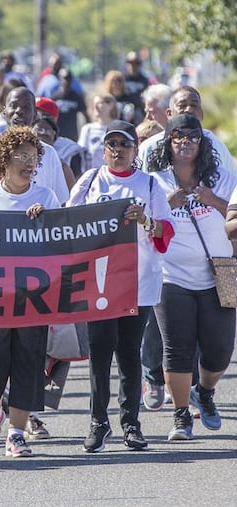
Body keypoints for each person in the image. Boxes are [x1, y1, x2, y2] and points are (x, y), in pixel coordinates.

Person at [66, 120, 174, 453]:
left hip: (137, 282)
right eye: (111, 145)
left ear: (135, 150)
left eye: (123, 145)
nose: (117, 151)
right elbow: (69, 224)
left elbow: (166, 232)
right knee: (99, 352)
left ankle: (131, 423)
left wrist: (145, 220)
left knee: (129, 353)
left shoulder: (150, 185)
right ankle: (99, 421)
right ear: (103, 151)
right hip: (99, 281)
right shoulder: (91, 181)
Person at [0, 126, 60, 457]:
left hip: (33, 297)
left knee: (28, 362)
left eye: (34, 157)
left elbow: (62, 244)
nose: (28, 163)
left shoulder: (46, 198)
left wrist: (47, 222)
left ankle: (16, 433)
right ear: (4, 159)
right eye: (21, 156)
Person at [148, 114, 236, 440]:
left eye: (192, 135)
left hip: (221, 272)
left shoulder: (223, 177)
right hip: (171, 275)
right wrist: (164, 205)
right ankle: (181, 416)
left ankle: (206, 392)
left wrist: (212, 200)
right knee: (177, 349)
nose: (185, 141)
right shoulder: (155, 182)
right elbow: (140, 224)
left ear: (202, 141)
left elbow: (235, 214)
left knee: (220, 350)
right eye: (178, 135)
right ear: (168, 141)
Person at [0, 87, 70, 204]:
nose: (19, 111)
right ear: (4, 112)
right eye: (14, 105)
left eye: (26, 107)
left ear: (35, 115)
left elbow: (60, 203)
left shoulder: (48, 153)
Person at [139, 86, 235, 175]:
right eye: (182, 105)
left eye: (194, 105)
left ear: (201, 113)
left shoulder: (216, 145)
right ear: (169, 113)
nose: (189, 109)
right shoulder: (149, 147)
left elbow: (228, 187)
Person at [78, 93, 119, 170]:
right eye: (94, 104)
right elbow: (81, 153)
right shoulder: (88, 128)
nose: (96, 107)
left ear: (111, 105)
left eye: (99, 103)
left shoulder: (119, 127)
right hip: (92, 174)